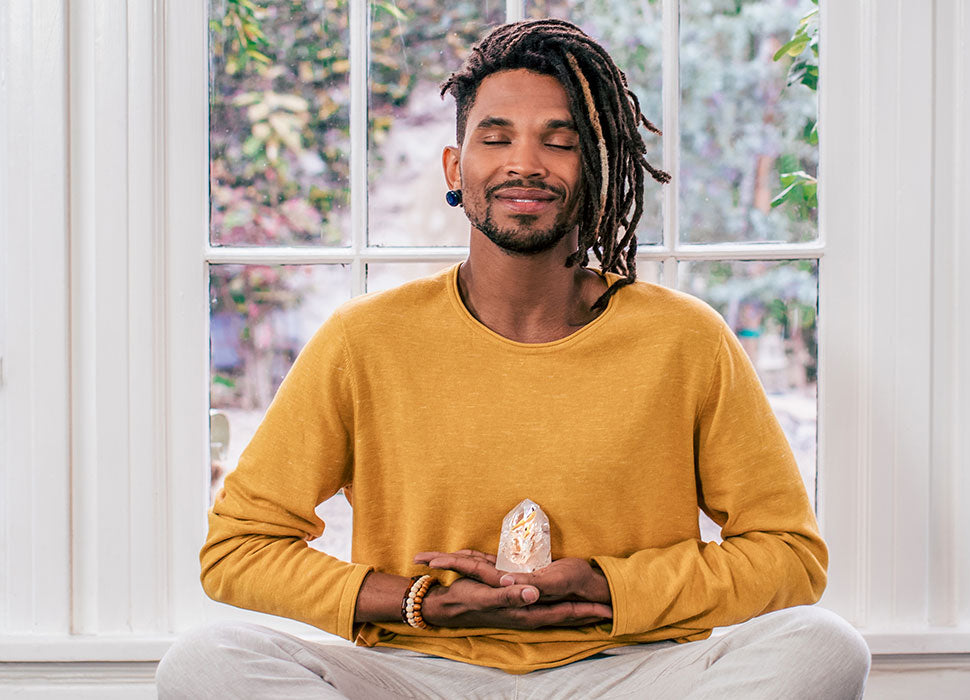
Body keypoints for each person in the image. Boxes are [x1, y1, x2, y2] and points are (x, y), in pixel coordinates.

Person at [156, 18, 870, 699]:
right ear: (456, 166)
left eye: (559, 142)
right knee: (205, 665)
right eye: (496, 137)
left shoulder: (685, 340)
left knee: (823, 645)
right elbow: (237, 551)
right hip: (420, 672)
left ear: (595, 168)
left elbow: (790, 556)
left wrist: (606, 586)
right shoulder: (363, 341)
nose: (524, 164)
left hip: (630, 670)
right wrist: (419, 604)